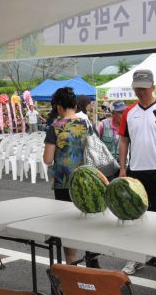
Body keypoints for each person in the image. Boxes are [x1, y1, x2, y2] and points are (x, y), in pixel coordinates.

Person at [118, 69, 156, 275]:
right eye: (137, 88)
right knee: (135, 214)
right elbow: (123, 140)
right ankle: (135, 257)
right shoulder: (129, 112)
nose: (140, 92)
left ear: (153, 87)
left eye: (144, 88)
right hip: (135, 169)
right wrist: (122, 167)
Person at [43, 87, 90, 266]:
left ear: (60, 107)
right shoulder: (87, 125)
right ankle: (91, 259)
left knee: (67, 226)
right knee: (85, 220)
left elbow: (47, 159)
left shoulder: (55, 128)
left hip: (63, 183)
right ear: (75, 105)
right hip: (85, 181)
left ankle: (71, 263)